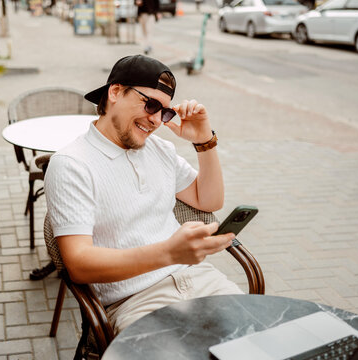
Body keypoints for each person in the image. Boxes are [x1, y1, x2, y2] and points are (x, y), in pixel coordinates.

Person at [44, 55, 242, 335]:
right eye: (150, 104)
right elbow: (78, 265)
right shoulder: (71, 164)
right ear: (115, 92)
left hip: (200, 279)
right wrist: (170, 253)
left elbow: (208, 201)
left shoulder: (159, 149)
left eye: (165, 112)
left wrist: (204, 141)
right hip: (134, 301)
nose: (156, 120)